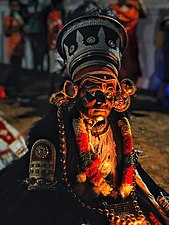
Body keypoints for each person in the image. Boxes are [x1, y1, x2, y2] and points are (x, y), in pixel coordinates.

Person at [0, 7, 169, 225]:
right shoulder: (53, 137)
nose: (102, 100)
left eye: (109, 91)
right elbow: (43, 201)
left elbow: (131, 169)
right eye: (93, 90)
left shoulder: (118, 126)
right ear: (74, 91)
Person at [110, 0, 147, 83]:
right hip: (119, 43)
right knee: (121, 65)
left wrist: (139, 3)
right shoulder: (113, 8)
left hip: (129, 42)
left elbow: (144, 14)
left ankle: (129, 89)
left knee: (131, 66)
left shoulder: (133, 9)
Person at [3, 0, 24, 98]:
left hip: (20, 46)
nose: (16, 8)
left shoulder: (19, 18)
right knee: (13, 69)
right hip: (12, 47)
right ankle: (10, 88)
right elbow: (6, 32)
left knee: (18, 69)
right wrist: (18, 26)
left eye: (17, 6)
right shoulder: (8, 19)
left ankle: (15, 89)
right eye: (13, 6)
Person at [47, 0, 66, 94]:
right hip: (55, 46)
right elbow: (54, 30)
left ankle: (54, 91)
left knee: (58, 69)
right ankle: (54, 92)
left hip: (58, 46)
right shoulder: (53, 15)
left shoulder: (60, 14)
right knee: (56, 70)